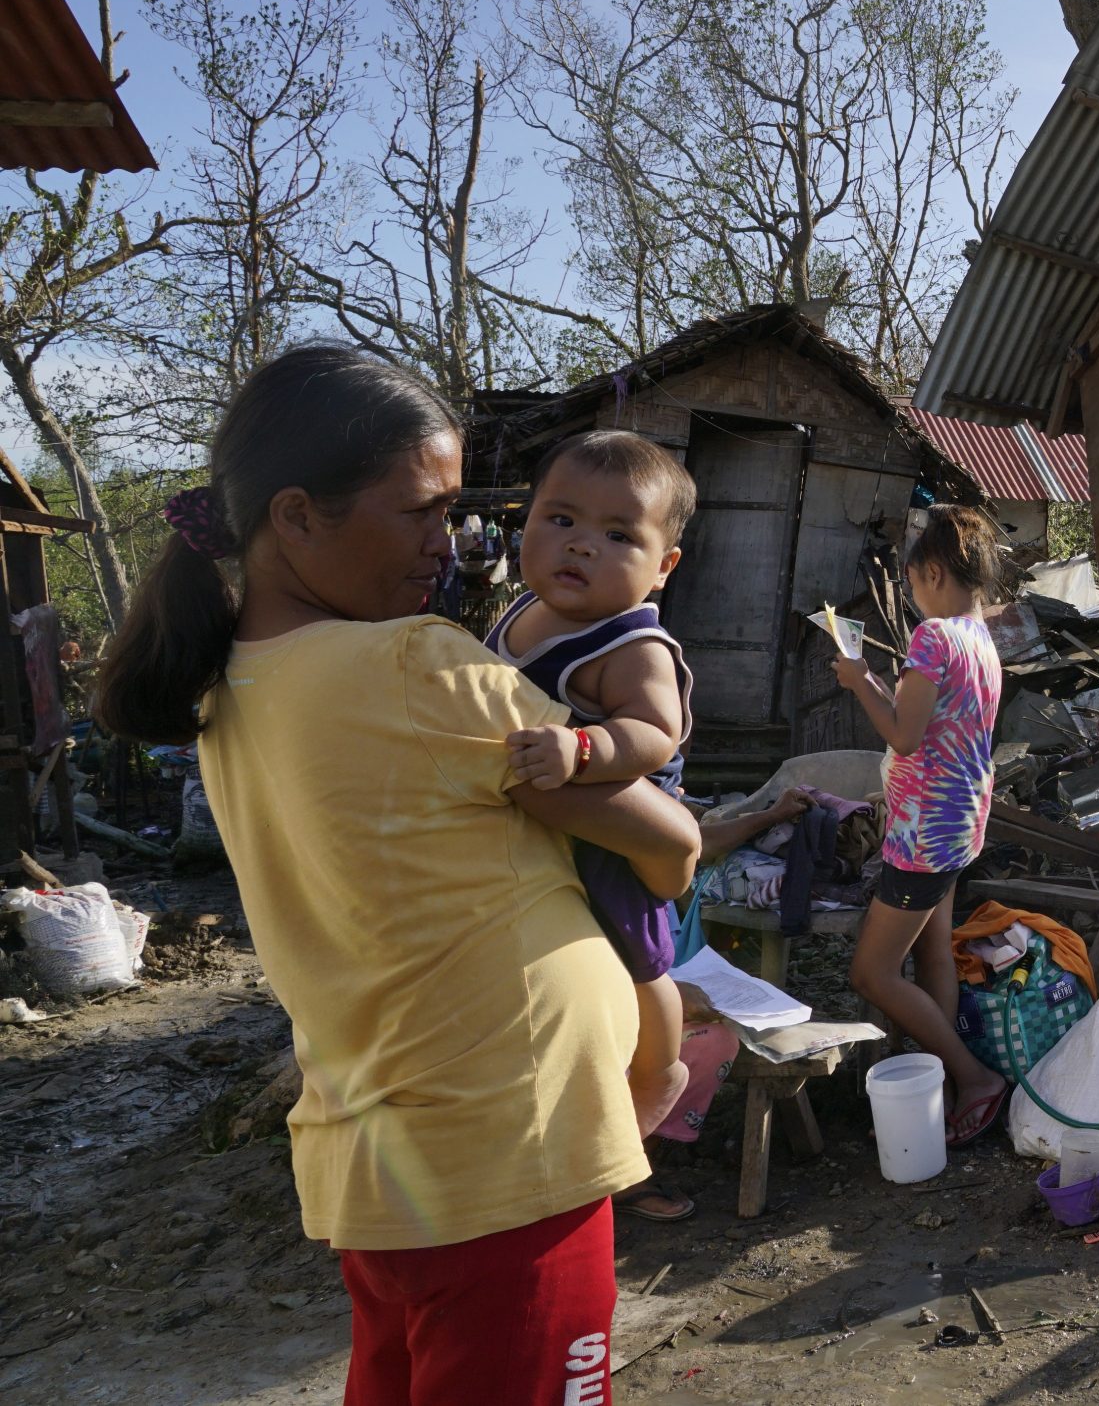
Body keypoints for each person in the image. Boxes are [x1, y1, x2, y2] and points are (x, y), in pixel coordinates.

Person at [93, 346, 701, 1406]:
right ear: (296, 517)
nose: (445, 544)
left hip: (385, 1157)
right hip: (507, 1154)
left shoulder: (231, 690)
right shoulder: (414, 665)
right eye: (422, 511)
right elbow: (672, 846)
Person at [485, 430, 699, 1161]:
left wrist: (582, 749)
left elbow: (655, 733)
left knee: (639, 957)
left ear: (663, 567)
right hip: (547, 821)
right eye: (561, 519)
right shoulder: (523, 609)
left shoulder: (632, 645)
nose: (580, 545)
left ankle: (661, 1069)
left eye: (618, 535)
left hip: (618, 823)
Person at [833, 503, 1009, 1146]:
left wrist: (858, 682)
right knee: (934, 950)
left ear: (932, 572)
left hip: (922, 834)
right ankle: (949, 1082)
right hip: (961, 823)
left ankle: (975, 1078)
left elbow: (904, 738)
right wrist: (879, 684)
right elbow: (927, 721)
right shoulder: (979, 637)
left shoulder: (932, 637)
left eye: (911, 582)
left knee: (872, 973)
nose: (912, 596)